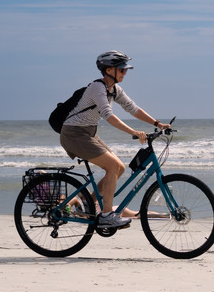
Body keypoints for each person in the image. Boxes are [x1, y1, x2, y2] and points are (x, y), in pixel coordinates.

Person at [59, 50, 170, 228]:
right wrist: (133, 131)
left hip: (88, 133)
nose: (125, 73)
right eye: (122, 69)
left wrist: (157, 123)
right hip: (74, 133)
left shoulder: (114, 89)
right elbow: (108, 115)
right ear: (109, 70)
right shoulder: (97, 87)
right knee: (112, 166)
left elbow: (133, 108)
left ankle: (86, 203)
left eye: (125, 70)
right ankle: (106, 215)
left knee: (118, 168)